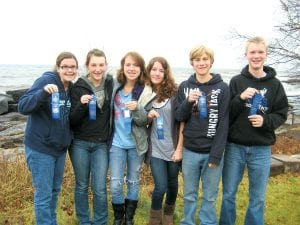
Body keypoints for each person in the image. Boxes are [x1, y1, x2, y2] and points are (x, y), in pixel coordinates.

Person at [219, 36, 289, 225]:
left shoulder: (275, 85)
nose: (256, 56)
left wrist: (266, 120)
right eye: (252, 52)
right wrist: (240, 98)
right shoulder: (236, 81)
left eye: (260, 52)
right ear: (246, 55)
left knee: (257, 198)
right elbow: (227, 114)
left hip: (261, 150)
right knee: (228, 194)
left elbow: (282, 113)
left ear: (266, 55)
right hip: (235, 147)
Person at [18, 52, 78, 225]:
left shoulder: (71, 88)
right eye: (65, 66)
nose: (69, 70)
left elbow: (66, 117)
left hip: (59, 150)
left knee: (54, 191)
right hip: (40, 148)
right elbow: (23, 106)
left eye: (73, 67)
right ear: (58, 67)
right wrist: (43, 93)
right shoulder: (46, 81)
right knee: (43, 195)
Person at [175, 45, 230, 225]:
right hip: (190, 150)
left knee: (210, 195)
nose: (201, 63)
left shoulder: (222, 88)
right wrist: (189, 102)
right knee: (189, 194)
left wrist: (216, 154)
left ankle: (208, 222)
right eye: (197, 60)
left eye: (205, 59)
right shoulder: (184, 87)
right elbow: (179, 116)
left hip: (212, 152)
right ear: (192, 63)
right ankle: (188, 222)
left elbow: (223, 123)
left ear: (211, 62)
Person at [109, 52, 156, 225]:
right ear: (123, 66)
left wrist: (138, 109)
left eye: (135, 65)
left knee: (134, 181)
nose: (131, 68)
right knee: (115, 183)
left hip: (137, 144)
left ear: (141, 68)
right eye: (128, 64)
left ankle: (129, 219)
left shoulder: (146, 91)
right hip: (116, 143)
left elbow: (144, 121)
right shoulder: (115, 87)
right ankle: (118, 218)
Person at [69, 49, 113, 225]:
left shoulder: (111, 83)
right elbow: (71, 120)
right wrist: (81, 105)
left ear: (106, 65)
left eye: (101, 65)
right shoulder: (78, 86)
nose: (97, 69)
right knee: (81, 185)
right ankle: (84, 221)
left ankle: (101, 221)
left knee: (100, 188)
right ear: (87, 65)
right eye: (93, 65)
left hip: (101, 144)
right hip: (79, 144)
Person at [146, 56, 184, 225]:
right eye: (154, 69)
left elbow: (183, 120)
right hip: (155, 149)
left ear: (166, 73)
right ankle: (154, 219)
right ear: (148, 71)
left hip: (173, 148)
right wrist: (147, 117)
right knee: (160, 186)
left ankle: (168, 215)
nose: (157, 73)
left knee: (173, 185)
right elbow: (140, 120)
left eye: (161, 70)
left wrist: (179, 149)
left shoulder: (175, 93)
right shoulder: (144, 92)